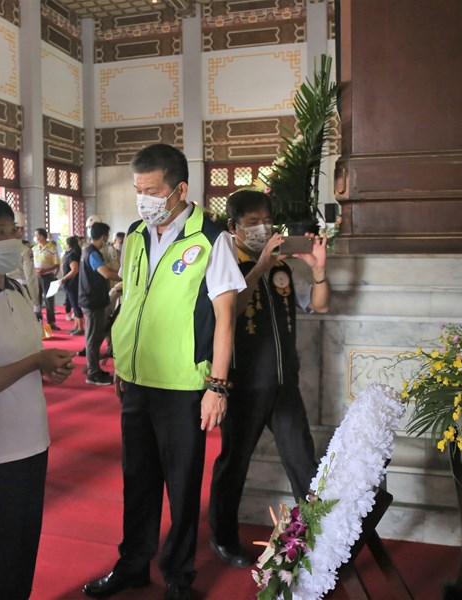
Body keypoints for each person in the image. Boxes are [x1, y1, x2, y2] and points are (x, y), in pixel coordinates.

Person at [83, 144, 245, 600]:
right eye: (138, 191)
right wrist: (119, 358)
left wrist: (217, 385)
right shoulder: (135, 234)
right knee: (138, 481)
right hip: (136, 381)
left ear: (179, 190)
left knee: (181, 485)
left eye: (151, 191)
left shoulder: (210, 238)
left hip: (183, 387)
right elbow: (132, 300)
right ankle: (134, 564)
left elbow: (226, 317)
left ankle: (178, 577)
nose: (143, 200)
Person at [0, 197, 75, 599]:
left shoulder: (19, 290)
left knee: (24, 543)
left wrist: (45, 366)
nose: (12, 241)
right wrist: (34, 361)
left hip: (31, 440)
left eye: (13, 232)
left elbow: (25, 355)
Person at [208, 189, 330, 568]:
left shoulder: (281, 269)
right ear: (233, 228)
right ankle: (223, 538)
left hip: (284, 385)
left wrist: (319, 270)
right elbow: (232, 312)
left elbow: (318, 304)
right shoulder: (227, 268)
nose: (263, 228)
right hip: (245, 387)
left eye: (267, 221)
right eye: (252, 222)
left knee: (303, 462)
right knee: (234, 465)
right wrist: (259, 265)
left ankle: (318, 537)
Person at [79, 222, 121, 386]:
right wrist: (126, 277)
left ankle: (95, 369)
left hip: (92, 299)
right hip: (92, 300)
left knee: (95, 336)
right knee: (93, 338)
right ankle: (93, 373)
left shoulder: (87, 250)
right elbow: (106, 273)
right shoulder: (93, 253)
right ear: (104, 236)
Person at [33, 228, 60, 329]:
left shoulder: (51, 248)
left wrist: (45, 270)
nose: (35, 237)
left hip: (48, 276)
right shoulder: (34, 248)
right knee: (37, 299)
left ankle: (51, 322)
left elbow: (57, 264)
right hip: (36, 277)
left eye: (36, 235)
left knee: (49, 299)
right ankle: (38, 322)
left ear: (42, 236)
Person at [59, 235, 84, 335]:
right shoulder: (69, 254)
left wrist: (64, 278)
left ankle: (80, 327)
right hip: (70, 283)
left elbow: (75, 270)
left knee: (76, 305)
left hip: (73, 283)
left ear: (68, 244)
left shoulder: (72, 255)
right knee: (74, 305)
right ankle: (76, 326)